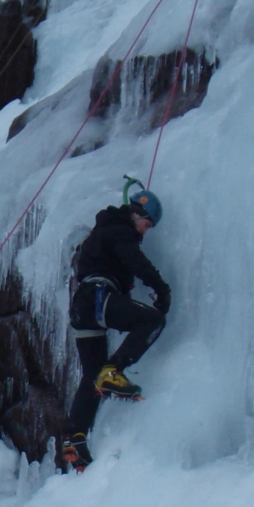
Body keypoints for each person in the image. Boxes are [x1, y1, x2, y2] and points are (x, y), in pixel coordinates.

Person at [62, 187, 170, 471]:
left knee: (91, 376)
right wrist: (161, 288)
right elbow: (135, 261)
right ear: (137, 213)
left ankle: (75, 438)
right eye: (146, 225)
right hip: (98, 297)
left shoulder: (105, 231)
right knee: (152, 320)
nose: (145, 232)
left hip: (82, 306)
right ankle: (115, 369)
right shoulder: (119, 229)